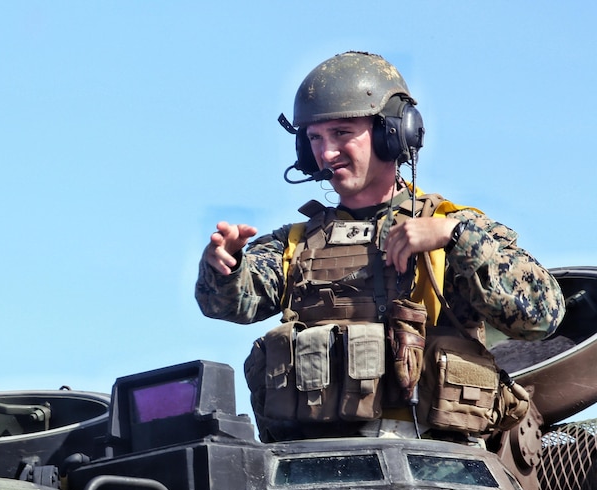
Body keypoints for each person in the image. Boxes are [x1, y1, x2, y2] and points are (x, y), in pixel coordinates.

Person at [195, 51, 565, 443]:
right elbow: (229, 304)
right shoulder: (295, 243)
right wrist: (225, 265)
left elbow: (542, 317)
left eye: (341, 133)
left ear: (393, 133)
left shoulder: (451, 227)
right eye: (314, 138)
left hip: (436, 465)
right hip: (313, 463)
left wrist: (455, 238)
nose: (326, 152)